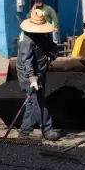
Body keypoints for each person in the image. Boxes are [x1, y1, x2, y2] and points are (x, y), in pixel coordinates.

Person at [16, 9, 60, 141]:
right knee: (39, 102)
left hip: (41, 72)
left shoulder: (41, 34)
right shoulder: (26, 40)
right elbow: (27, 60)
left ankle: (24, 132)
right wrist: (32, 79)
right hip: (28, 75)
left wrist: (53, 51)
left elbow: (48, 45)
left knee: (32, 103)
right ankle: (47, 130)